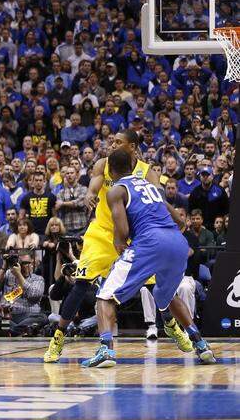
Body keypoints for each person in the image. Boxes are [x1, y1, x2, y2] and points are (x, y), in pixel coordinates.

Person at [43, 131, 171, 363]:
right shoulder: (103, 164)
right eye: (111, 141)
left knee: (156, 284)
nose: (112, 145)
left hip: (131, 235)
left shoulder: (146, 171)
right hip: (101, 233)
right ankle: (58, 338)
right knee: (81, 283)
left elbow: (158, 198)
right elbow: (93, 188)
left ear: (132, 147)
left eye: (118, 142)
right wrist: (90, 195)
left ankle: (175, 327)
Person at [82, 149, 215, 367]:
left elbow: (122, 232)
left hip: (149, 241)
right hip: (177, 243)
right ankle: (201, 344)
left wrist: (122, 250)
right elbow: (181, 222)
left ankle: (106, 350)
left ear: (110, 170)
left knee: (105, 295)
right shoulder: (150, 186)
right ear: (132, 167)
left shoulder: (116, 190)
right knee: (167, 296)